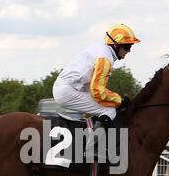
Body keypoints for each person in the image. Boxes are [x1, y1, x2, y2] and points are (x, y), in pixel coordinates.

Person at [52, 24, 140, 154]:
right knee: (109, 110)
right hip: (68, 91)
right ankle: (92, 149)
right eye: (127, 46)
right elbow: (98, 91)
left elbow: (94, 89)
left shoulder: (100, 50)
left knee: (105, 106)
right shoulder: (105, 58)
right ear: (115, 45)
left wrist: (115, 100)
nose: (129, 51)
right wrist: (120, 100)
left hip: (69, 88)